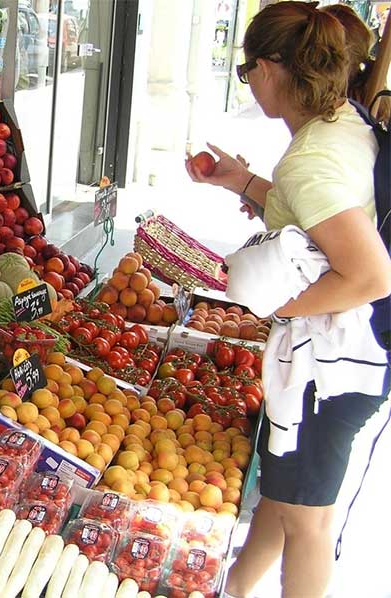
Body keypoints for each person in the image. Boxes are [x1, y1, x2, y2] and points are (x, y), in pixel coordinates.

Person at [186, 2, 391, 597]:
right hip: (344, 355)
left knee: (308, 521)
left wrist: (275, 308)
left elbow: (372, 274)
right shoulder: (338, 124)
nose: (249, 82)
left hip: (332, 367)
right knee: (282, 495)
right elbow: (319, 207)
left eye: (248, 69)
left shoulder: (311, 157)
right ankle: (236, 589)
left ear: (274, 68)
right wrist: (242, 182)